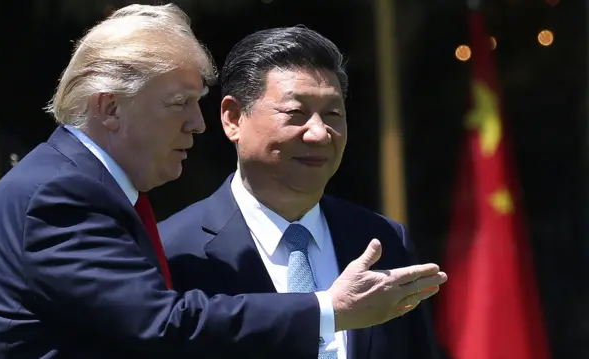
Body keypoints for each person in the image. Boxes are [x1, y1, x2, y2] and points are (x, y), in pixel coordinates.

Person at [0, 5, 446, 359]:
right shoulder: (64, 195)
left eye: (333, 112)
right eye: (178, 104)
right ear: (110, 107)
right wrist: (328, 310)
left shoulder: (79, 186)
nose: (197, 124)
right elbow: (161, 326)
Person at [158, 26, 442, 359]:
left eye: (333, 114)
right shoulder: (173, 251)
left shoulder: (381, 240)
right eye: (296, 113)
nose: (320, 133)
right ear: (233, 118)